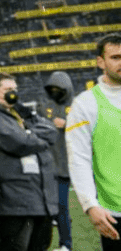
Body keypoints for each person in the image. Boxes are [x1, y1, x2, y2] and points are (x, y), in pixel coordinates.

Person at [0, 72, 58, 251]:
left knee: (40, 245)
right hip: (14, 200)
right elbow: (20, 143)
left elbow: (51, 131)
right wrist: (35, 137)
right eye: (8, 89)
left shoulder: (18, 113)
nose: (13, 93)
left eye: (14, 89)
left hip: (38, 197)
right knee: (17, 247)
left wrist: (28, 126)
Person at [66, 33, 121, 250]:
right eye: (115, 57)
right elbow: (79, 159)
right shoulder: (85, 104)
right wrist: (90, 205)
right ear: (100, 62)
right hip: (115, 212)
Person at [39, 71, 75, 251]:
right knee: (44, 209)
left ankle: (66, 244)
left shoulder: (76, 106)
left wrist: (67, 124)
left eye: (58, 88)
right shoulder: (45, 106)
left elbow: (88, 129)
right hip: (45, 166)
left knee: (61, 207)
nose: (55, 91)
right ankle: (42, 244)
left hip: (64, 166)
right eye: (52, 88)